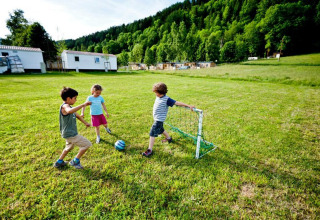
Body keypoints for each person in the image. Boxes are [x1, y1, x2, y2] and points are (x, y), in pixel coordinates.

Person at [142, 82, 195, 157]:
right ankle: (169, 138)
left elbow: (177, 103)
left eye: (156, 92)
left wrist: (188, 105)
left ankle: (149, 150)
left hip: (159, 119)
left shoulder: (167, 99)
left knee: (152, 133)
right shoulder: (158, 97)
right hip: (157, 118)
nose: (155, 94)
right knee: (160, 129)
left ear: (161, 92)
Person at [54, 87, 92, 169]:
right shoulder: (65, 106)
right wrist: (83, 105)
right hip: (71, 134)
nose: (76, 100)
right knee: (87, 144)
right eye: (75, 98)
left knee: (69, 147)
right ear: (68, 98)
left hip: (67, 133)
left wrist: (85, 123)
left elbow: (77, 115)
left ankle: (59, 162)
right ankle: (75, 161)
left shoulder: (70, 107)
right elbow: (69, 111)